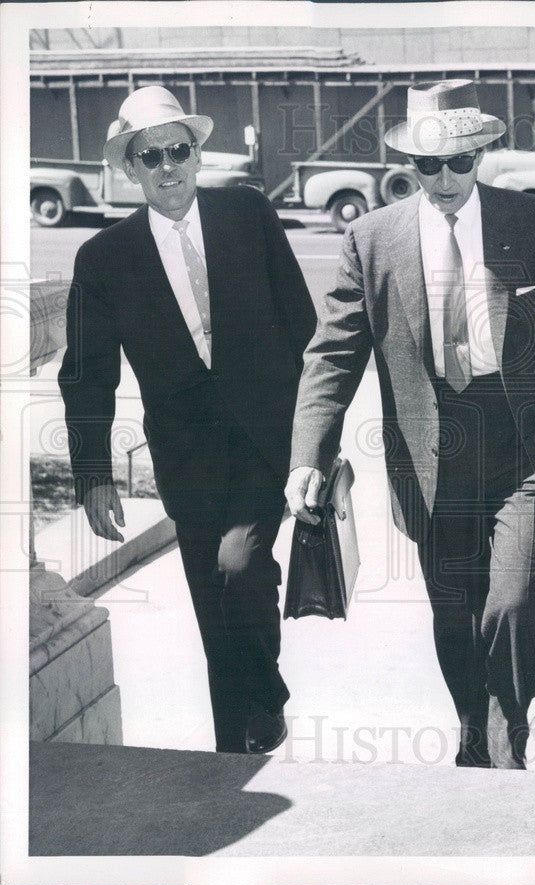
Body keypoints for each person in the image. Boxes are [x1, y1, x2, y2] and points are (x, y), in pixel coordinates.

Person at [285, 79, 535, 769]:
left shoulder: (534, 223)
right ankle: (473, 725)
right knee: (455, 613)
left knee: (516, 602)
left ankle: (504, 732)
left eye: (460, 161)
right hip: (432, 454)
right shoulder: (370, 240)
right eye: (429, 165)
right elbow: (332, 356)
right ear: (410, 166)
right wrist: (308, 454)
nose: (446, 177)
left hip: (523, 440)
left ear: (481, 155)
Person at [59, 86, 317, 754]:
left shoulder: (248, 215)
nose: (169, 166)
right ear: (131, 168)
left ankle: (257, 712)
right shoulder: (104, 260)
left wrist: (321, 442)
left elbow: (303, 327)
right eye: (152, 157)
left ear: (198, 154)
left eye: (180, 150)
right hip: (187, 460)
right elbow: (88, 374)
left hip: (269, 442)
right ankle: (242, 738)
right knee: (215, 599)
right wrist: (93, 474)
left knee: (241, 567)